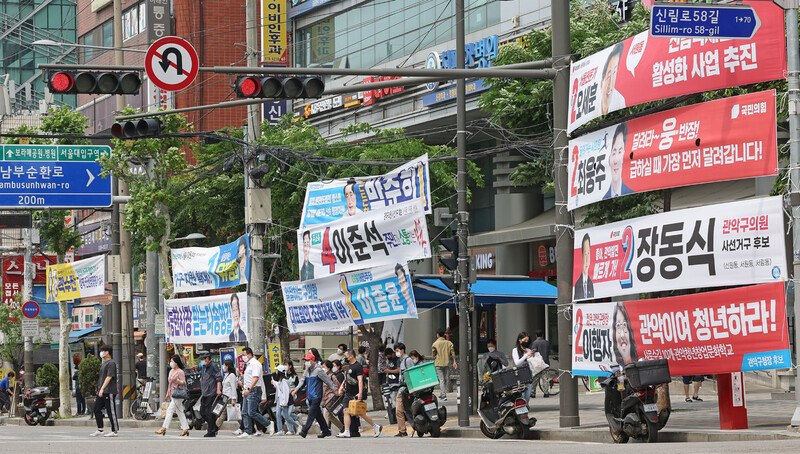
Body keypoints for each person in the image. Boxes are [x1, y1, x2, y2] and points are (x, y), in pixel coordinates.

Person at [337, 349, 382, 438]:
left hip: (355, 393)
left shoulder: (358, 366)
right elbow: (347, 379)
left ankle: (376, 426)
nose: (345, 358)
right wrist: (342, 387)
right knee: (345, 411)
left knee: (360, 412)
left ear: (351, 356)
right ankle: (347, 431)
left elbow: (360, 380)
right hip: (348, 393)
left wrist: (360, 393)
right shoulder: (349, 366)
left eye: (346, 356)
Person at [293, 352, 336, 438]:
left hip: (316, 396)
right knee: (318, 415)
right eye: (305, 360)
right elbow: (302, 382)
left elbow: (328, 381)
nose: (306, 362)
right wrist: (296, 390)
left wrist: (335, 390)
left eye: (307, 360)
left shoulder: (319, 370)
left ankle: (304, 431)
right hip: (309, 396)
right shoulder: (307, 371)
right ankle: (326, 430)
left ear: (312, 361)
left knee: (311, 413)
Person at [239, 347, 272, 438]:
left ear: (249, 354)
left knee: (252, 412)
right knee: (244, 412)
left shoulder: (255, 364)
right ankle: (248, 431)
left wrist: (249, 388)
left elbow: (256, 377)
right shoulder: (248, 364)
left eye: (244, 355)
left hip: (253, 390)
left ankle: (268, 423)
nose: (243, 357)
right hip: (247, 390)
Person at [156, 355, 190, 436]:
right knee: (179, 411)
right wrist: (168, 392)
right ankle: (185, 429)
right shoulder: (171, 371)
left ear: (176, 362)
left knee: (170, 410)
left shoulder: (180, 372)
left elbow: (183, 383)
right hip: (172, 393)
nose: (171, 363)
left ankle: (164, 428)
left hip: (178, 394)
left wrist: (177, 380)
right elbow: (170, 383)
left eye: (172, 361)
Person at [90, 345, 119, 437]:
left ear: (107, 352)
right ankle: (100, 429)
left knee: (111, 410)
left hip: (109, 390)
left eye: (103, 351)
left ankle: (114, 430)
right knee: (97, 409)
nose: (101, 352)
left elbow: (109, 377)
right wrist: (99, 389)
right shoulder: (104, 363)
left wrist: (102, 389)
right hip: (102, 390)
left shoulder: (111, 363)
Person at [391, 343, 415, 437]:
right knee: (403, 411)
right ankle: (403, 430)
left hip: (405, 389)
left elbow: (412, 373)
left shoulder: (408, 360)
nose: (396, 352)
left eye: (397, 350)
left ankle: (404, 430)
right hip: (402, 389)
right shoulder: (401, 361)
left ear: (402, 350)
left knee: (401, 411)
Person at [604, 122, 633, 199]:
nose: (616, 161)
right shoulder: (604, 197)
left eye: (620, 152)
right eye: (613, 153)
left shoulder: (631, 192)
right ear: (609, 158)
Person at [197, 351, 223, 438]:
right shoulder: (205, 367)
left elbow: (218, 378)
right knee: (202, 412)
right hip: (205, 393)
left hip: (211, 393)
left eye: (203, 359)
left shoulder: (213, 366)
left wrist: (218, 389)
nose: (202, 361)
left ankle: (211, 431)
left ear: (207, 358)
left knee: (209, 413)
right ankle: (214, 427)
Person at [272, 364, 299, 435]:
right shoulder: (281, 380)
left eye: (277, 370)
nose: (276, 372)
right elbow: (278, 386)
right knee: (278, 414)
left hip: (283, 401)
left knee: (286, 416)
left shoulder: (284, 381)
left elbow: (286, 393)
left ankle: (297, 426)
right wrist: (274, 382)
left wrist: (283, 403)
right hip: (280, 399)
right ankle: (280, 429)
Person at [600, 42, 626, 115]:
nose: (610, 85)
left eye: (614, 73)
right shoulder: (593, 108)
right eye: (608, 76)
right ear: (601, 84)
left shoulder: (620, 100)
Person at [431, 329, 457, 401]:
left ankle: (443, 394)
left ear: (437, 335)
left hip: (438, 363)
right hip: (447, 363)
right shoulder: (449, 343)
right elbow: (453, 353)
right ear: (444, 335)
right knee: (446, 378)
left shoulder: (435, 344)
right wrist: (454, 361)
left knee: (441, 379)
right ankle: (444, 392)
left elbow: (433, 354)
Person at [320, 360, 345, 433]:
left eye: (324, 367)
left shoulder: (332, 376)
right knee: (330, 416)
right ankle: (342, 427)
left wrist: (337, 393)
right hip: (324, 398)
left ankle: (325, 430)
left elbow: (338, 387)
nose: (322, 368)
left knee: (326, 412)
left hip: (331, 397)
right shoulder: (322, 376)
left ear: (328, 368)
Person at [512, 332, 535, 403]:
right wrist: (525, 355)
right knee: (521, 395)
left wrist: (533, 356)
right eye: (524, 340)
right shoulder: (515, 350)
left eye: (527, 341)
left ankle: (525, 408)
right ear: (520, 340)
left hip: (528, 374)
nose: (526, 342)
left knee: (527, 396)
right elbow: (517, 363)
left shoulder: (528, 350)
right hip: (519, 375)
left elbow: (532, 363)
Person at [217, 359, 239, 430]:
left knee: (224, 413)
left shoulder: (232, 375)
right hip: (225, 397)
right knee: (234, 414)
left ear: (228, 366)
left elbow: (233, 387)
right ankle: (243, 427)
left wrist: (233, 399)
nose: (223, 366)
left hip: (229, 398)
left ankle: (215, 427)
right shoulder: (227, 375)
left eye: (224, 365)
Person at [574, 234, 594, 300]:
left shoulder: (591, 284)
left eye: (588, 253)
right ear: (581, 255)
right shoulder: (577, 284)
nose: (587, 258)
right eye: (585, 254)